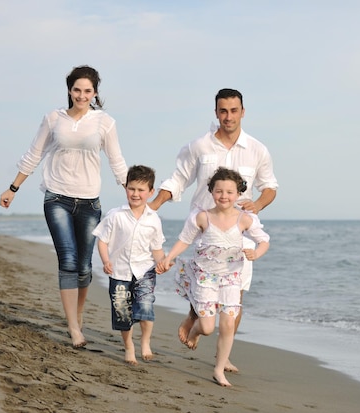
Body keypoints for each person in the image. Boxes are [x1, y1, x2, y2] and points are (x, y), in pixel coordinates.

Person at [148, 88, 278, 372]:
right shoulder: (200, 146)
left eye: (233, 111)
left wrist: (256, 204)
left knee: (236, 297)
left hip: (238, 234)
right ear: (216, 112)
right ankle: (195, 316)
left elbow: (270, 187)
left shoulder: (257, 149)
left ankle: (223, 356)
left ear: (243, 112)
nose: (228, 116)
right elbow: (178, 179)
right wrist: (153, 205)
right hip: (205, 232)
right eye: (223, 111)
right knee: (206, 285)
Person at [0, 65, 129, 348]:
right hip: (56, 197)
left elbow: (117, 162)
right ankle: (73, 328)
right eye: (77, 90)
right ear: (69, 90)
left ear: (95, 93)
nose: (82, 96)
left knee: (84, 267)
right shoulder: (53, 118)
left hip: (89, 201)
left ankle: (77, 315)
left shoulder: (105, 123)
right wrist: (13, 187)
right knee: (68, 261)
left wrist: (133, 196)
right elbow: (34, 154)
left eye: (88, 91)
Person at [156, 168, 270, 387]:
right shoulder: (202, 217)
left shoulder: (245, 219)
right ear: (211, 192)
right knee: (208, 328)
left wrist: (256, 253)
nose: (224, 196)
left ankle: (218, 369)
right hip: (206, 277)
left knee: (228, 323)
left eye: (229, 192)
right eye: (219, 191)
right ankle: (195, 330)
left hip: (231, 278)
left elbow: (263, 240)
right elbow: (184, 240)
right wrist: (169, 258)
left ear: (238, 194)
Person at [92, 165, 165, 364]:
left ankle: (145, 342)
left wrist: (162, 263)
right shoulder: (115, 215)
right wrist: (106, 261)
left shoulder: (154, 219)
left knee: (146, 306)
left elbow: (157, 249)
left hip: (145, 271)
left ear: (150, 192)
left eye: (141, 190)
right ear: (126, 188)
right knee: (122, 313)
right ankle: (129, 347)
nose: (136, 194)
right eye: (132, 188)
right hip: (119, 271)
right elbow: (103, 240)